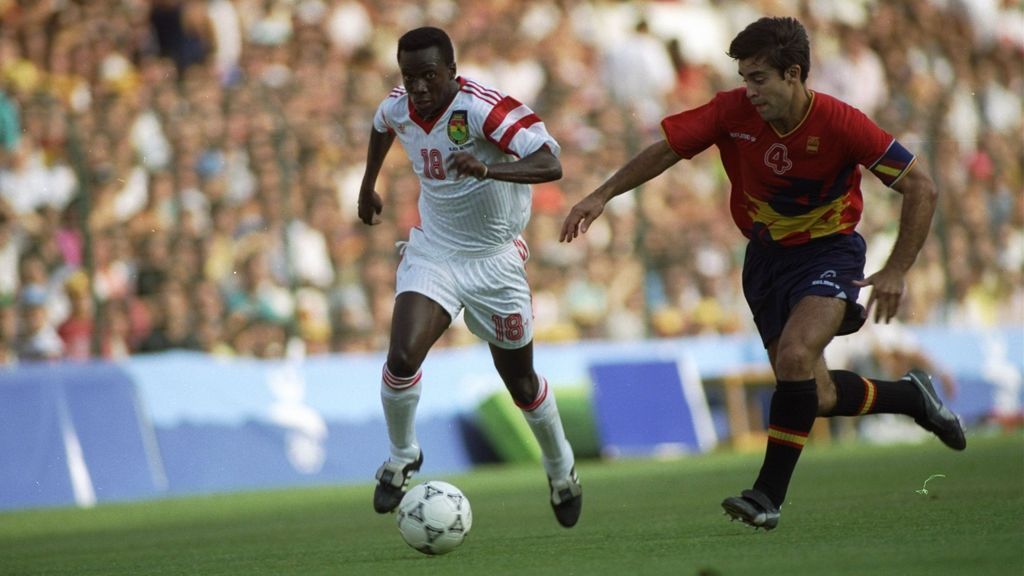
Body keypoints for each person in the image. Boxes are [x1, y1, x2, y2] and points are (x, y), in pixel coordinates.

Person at [560, 16, 965, 531]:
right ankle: (912, 397)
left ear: (793, 74)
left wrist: (897, 268)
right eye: (744, 78)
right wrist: (602, 195)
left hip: (830, 254)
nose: (748, 91)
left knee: (796, 355)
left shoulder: (842, 123)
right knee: (812, 394)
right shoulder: (731, 112)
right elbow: (667, 148)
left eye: (758, 78)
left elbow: (921, 186)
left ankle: (766, 497)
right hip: (766, 261)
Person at [358, 27, 581, 528]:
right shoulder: (399, 106)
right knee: (401, 356)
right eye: (409, 77)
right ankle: (401, 456)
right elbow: (380, 125)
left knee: (521, 383)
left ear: (452, 72)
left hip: (496, 262)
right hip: (435, 252)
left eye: (429, 76)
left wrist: (488, 169)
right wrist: (367, 185)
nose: (417, 88)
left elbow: (551, 163)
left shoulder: (485, 110)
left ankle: (561, 468)